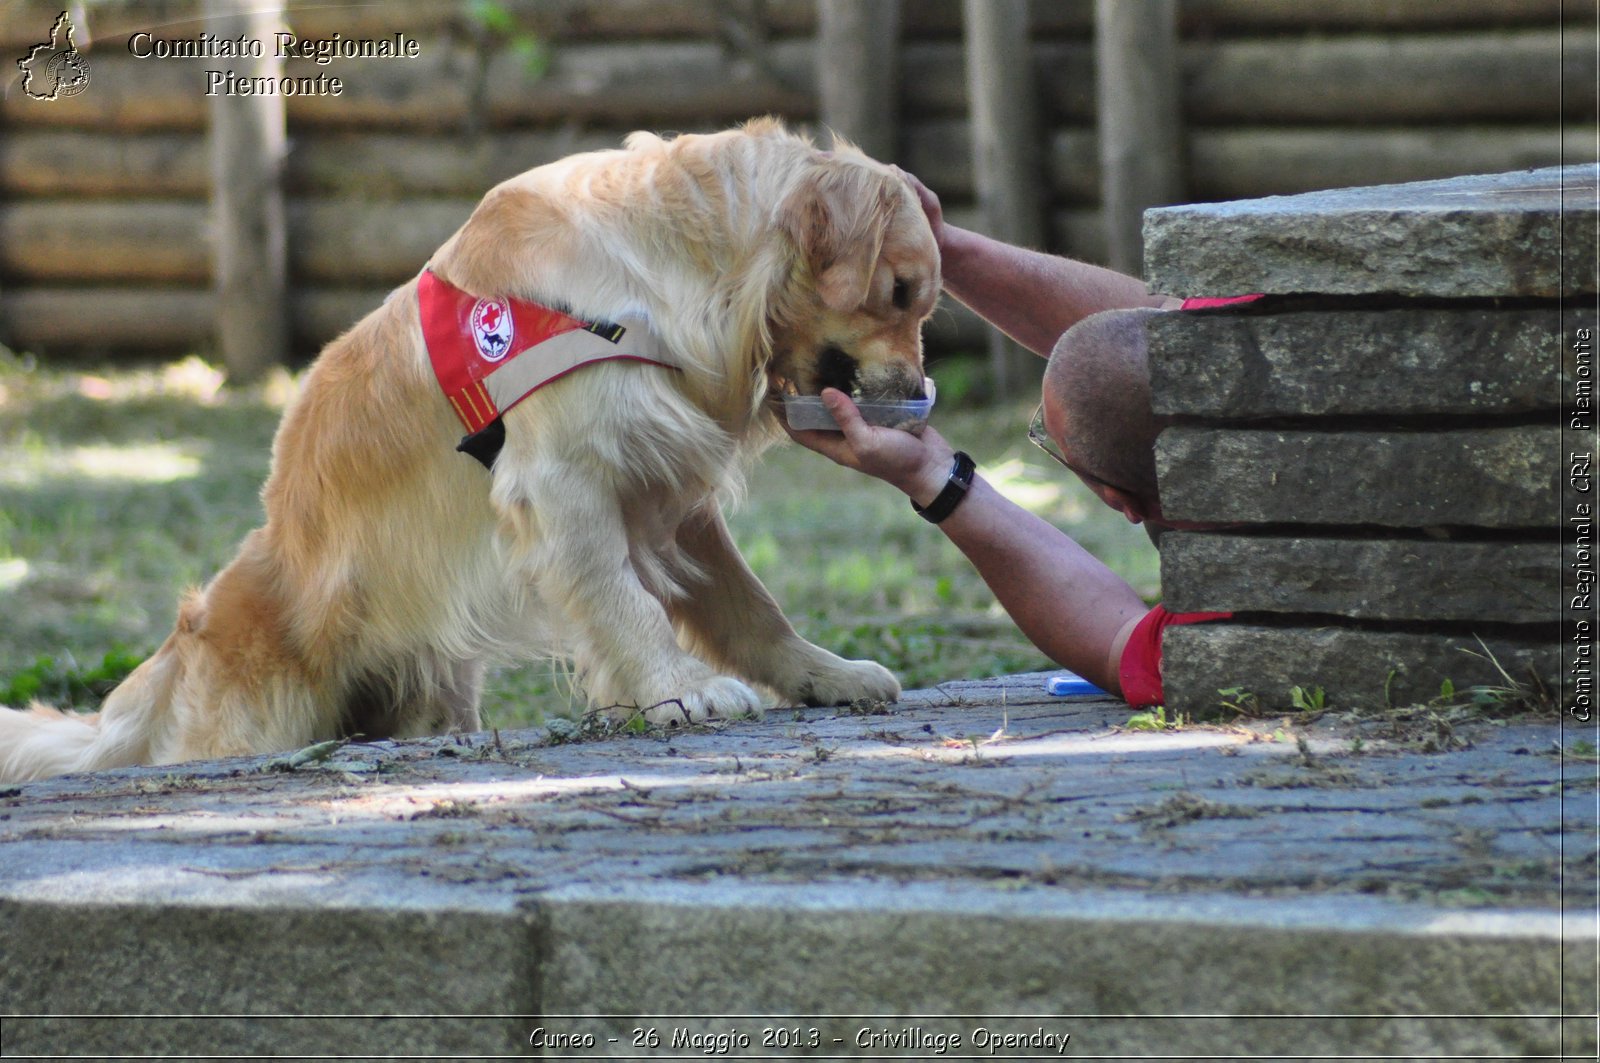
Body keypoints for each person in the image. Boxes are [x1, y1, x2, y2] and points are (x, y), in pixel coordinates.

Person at [783, 171, 1232, 705]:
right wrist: (940, 248)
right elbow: (1172, 325)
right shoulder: (1266, 312)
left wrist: (934, 478)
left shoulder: (1233, 620)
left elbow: (1120, 643)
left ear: (1123, 501)